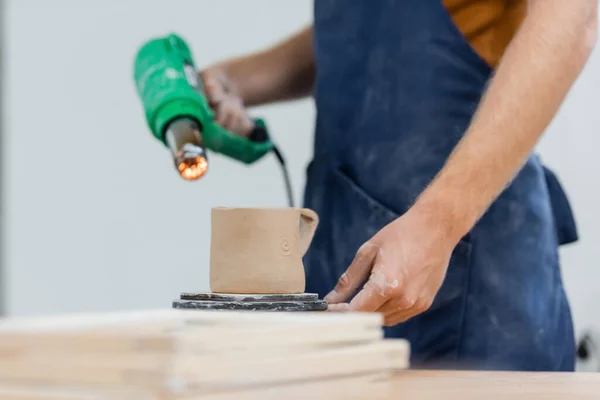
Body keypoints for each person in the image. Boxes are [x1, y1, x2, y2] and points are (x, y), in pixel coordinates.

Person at [199, 0, 597, 371]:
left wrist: (438, 224)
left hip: (475, 284)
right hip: (342, 243)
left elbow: (570, 20)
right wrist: (236, 81)